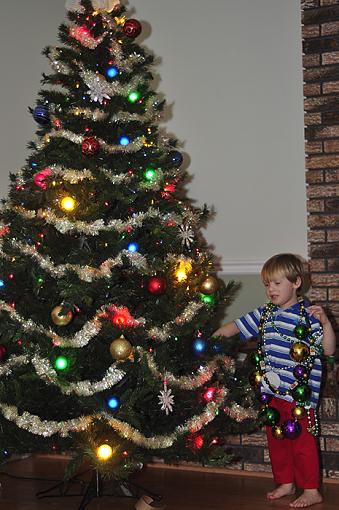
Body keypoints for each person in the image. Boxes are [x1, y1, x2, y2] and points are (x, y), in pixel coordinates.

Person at [213, 253, 336, 508]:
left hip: (300, 394)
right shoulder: (265, 314)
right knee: (277, 439)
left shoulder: (309, 316)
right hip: (273, 392)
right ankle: (286, 483)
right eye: (267, 284)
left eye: (277, 283)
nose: (271, 289)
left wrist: (325, 323)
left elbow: (328, 350)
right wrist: (212, 339)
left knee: (303, 443)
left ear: (296, 283)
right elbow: (236, 326)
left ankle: (312, 490)